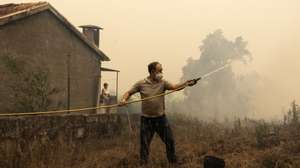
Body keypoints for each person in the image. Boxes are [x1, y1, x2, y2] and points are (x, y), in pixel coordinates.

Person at [119, 61, 197, 165]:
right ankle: (143, 164)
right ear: (152, 72)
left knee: (170, 141)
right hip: (146, 120)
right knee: (144, 145)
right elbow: (129, 92)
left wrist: (187, 84)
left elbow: (175, 87)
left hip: (160, 118)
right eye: (159, 70)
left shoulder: (163, 83)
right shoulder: (141, 84)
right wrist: (123, 100)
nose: (162, 72)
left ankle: (173, 163)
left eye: (161, 70)